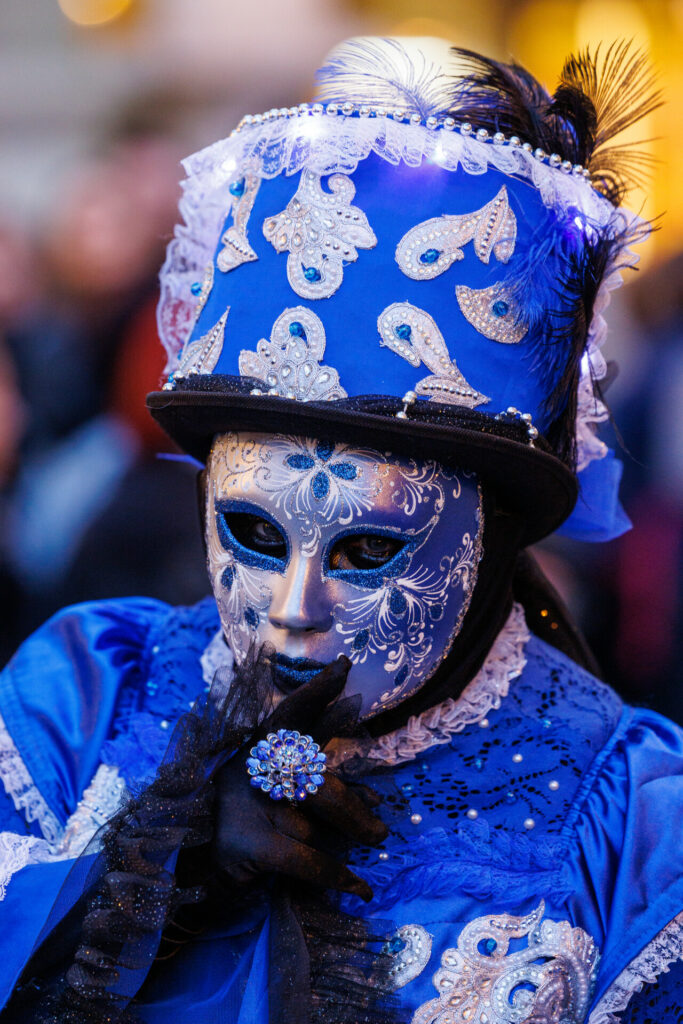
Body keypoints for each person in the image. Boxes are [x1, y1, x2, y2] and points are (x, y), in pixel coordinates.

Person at [0, 37, 680, 1024]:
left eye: (367, 549)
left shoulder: (630, 825)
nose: (293, 611)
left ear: (490, 537)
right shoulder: (85, 699)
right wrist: (144, 869)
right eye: (252, 531)